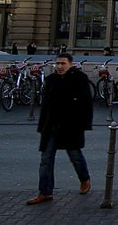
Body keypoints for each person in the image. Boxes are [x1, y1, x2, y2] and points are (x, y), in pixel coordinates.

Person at [26, 53, 93, 205]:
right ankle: (45, 192)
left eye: (63, 63)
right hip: (51, 126)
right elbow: (45, 105)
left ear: (70, 64)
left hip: (71, 126)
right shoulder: (51, 80)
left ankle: (84, 179)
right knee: (45, 159)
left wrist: (84, 124)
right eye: (57, 64)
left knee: (75, 157)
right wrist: (42, 125)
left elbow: (87, 103)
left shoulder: (79, 78)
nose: (60, 66)